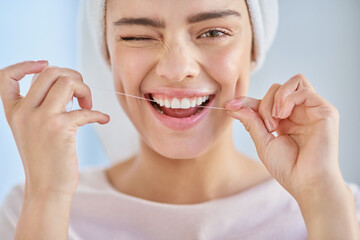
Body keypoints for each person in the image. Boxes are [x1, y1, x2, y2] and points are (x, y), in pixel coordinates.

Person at [0, 0, 359, 239]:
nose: (176, 69)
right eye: (137, 36)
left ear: (254, 49)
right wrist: (46, 198)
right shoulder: (31, 209)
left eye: (214, 32)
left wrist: (321, 199)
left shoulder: (342, 209)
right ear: (107, 53)